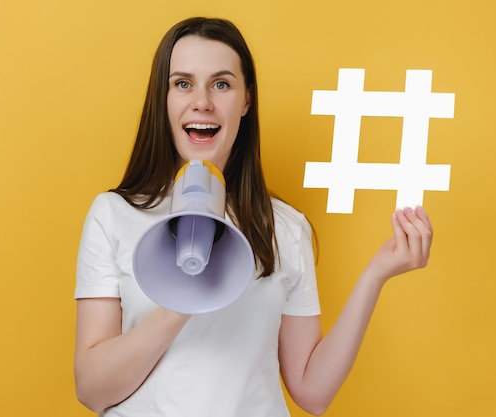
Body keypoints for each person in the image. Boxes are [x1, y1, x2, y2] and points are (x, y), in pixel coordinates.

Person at [74, 17, 433, 417]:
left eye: (222, 84)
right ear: (164, 99)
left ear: (246, 100)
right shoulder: (114, 215)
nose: (202, 101)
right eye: (183, 83)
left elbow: (312, 392)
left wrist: (375, 275)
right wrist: (186, 297)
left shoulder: (284, 228)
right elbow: (91, 389)